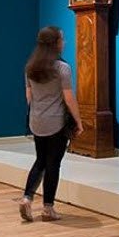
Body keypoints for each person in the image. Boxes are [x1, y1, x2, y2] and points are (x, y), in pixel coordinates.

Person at [19, 26, 83, 222]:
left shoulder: (30, 67)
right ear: (55, 43)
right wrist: (78, 121)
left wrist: (38, 112)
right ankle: (48, 208)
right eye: (62, 39)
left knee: (40, 160)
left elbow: (29, 96)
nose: (65, 42)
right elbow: (69, 98)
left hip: (36, 121)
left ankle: (27, 197)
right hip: (56, 122)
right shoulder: (62, 68)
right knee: (53, 163)